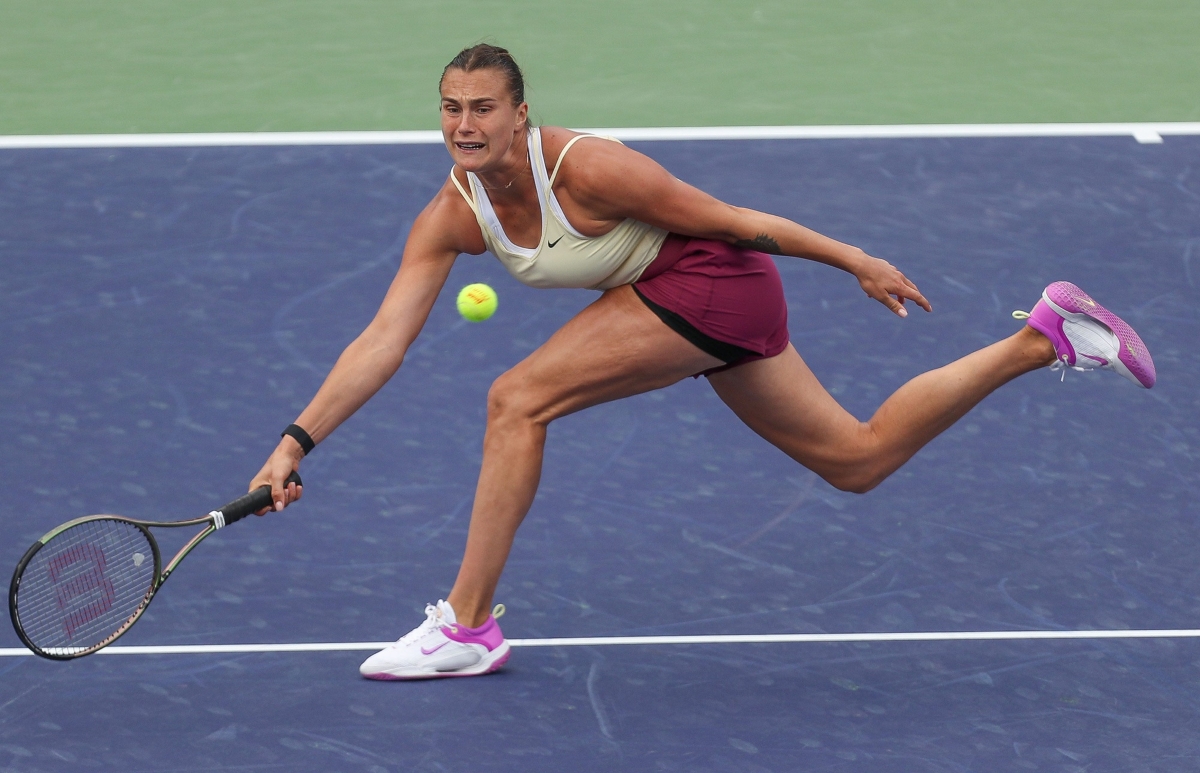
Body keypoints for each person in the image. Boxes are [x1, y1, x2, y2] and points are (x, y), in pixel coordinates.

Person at [249, 44, 1157, 680]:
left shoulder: (590, 169)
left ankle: (469, 624)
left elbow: (733, 222)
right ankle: (1043, 337)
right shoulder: (452, 214)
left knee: (516, 398)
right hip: (678, 306)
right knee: (857, 458)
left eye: (482, 106)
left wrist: (854, 259)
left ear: (519, 112)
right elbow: (382, 338)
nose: (464, 123)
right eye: (451, 107)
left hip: (715, 282)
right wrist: (298, 439)